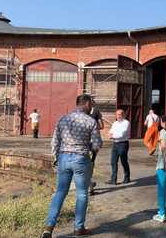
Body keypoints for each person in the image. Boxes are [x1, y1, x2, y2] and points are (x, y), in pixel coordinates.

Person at [41, 94, 102, 238]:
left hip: (63, 158)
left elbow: (55, 141)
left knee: (60, 192)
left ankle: (48, 228)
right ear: (86, 104)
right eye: (91, 104)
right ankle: (79, 228)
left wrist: (56, 157)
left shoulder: (63, 119)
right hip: (81, 159)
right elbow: (97, 144)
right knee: (81, 194)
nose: (92, 107)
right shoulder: (90, 121)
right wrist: (90, 149)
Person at [106, 109, 131, 185]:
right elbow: (110, 131)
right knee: (113, 162)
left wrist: (112, 136)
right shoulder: (115, 123)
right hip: (115, 144)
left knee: (124, 161)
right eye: (117, 114)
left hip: (123, 144)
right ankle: (113, 180)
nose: (118, 116)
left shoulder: (126, 123)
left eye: (120, 114)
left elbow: (122, 134)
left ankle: (127, 178)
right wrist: (111, 134)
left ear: (123, 115)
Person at [88, 102, 103, 196]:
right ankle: (90, 187)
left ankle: (89, 184)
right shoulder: (96, 111)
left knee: (84, 164)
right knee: (90, 164)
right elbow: (102, 125)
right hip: (92, 142)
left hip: (81, 142)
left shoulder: (80, 113)